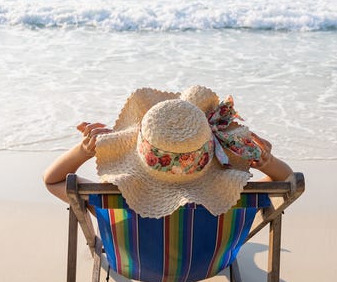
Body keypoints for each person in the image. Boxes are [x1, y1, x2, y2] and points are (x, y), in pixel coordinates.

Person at [44, 85, 293, 217]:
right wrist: (266, 162)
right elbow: (287, 181)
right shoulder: (236, 202)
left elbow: (52, 180)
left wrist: (84, 151)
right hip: (210, 263)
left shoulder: (114, 204)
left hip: (136, 264)